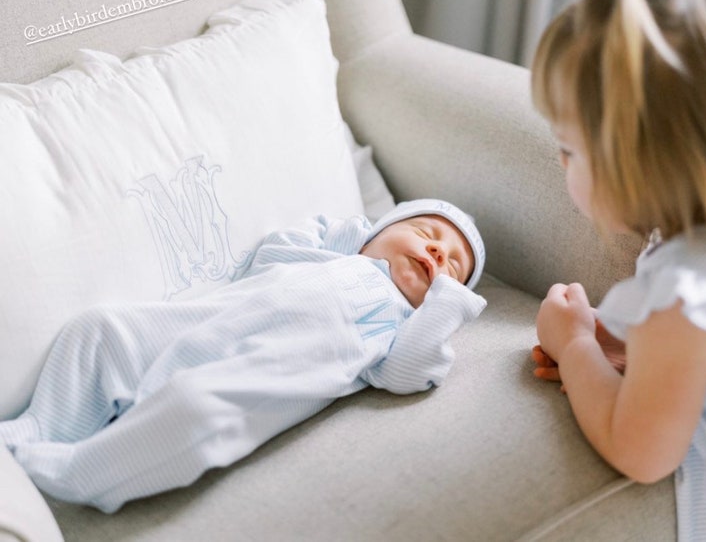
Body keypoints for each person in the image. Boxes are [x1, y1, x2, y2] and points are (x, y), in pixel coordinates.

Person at [528, 0, 706, 540]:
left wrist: (574, 345)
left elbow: (641, 451)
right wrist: (633, 351)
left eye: (569, 149)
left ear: (640, 166)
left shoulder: (689, 296)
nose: (559, 162)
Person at [0, 198, 487, 513]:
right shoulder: (327, 257)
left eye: (454, 266)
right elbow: (267, 256)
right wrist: (351, 241)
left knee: (194, 409)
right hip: (205, 326)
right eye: (426, 231)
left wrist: (447, 305)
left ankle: (73, 471)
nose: (437, 253)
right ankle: (40, 428)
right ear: (373, 231)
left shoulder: (397, 324)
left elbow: (408, 372)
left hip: (257, 376)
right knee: (104, 329)